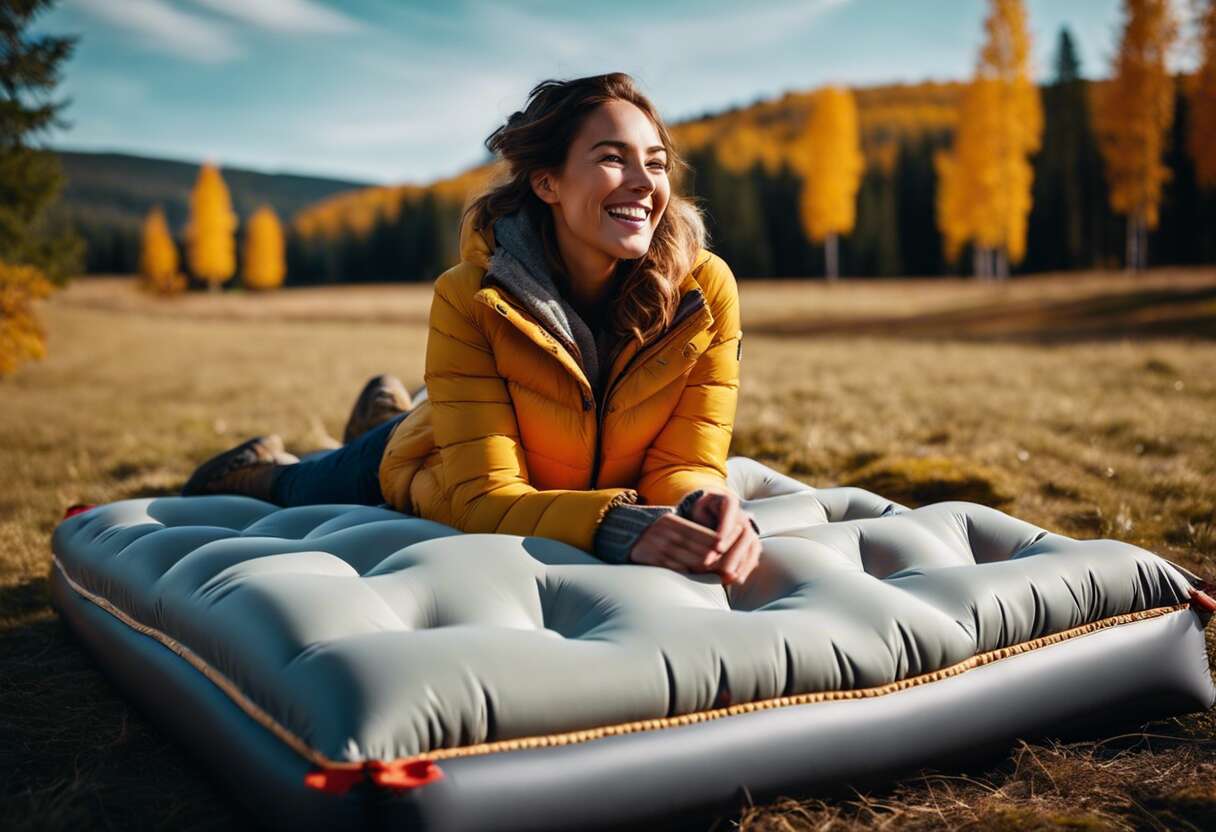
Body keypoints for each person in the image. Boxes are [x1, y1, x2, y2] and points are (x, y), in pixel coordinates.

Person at [182, 73, 761, 586]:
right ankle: (265, 465)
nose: (643, 182)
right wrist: (616, 526)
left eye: (656, 163)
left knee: (410, 422)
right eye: (613, 158)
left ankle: (385, 413)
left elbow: (685, 461)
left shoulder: (702, 293)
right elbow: (483, 497)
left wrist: (702, 501)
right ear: (547, 183)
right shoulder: (471, 296)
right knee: (307, 486)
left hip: (497, 446)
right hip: (440, 457)